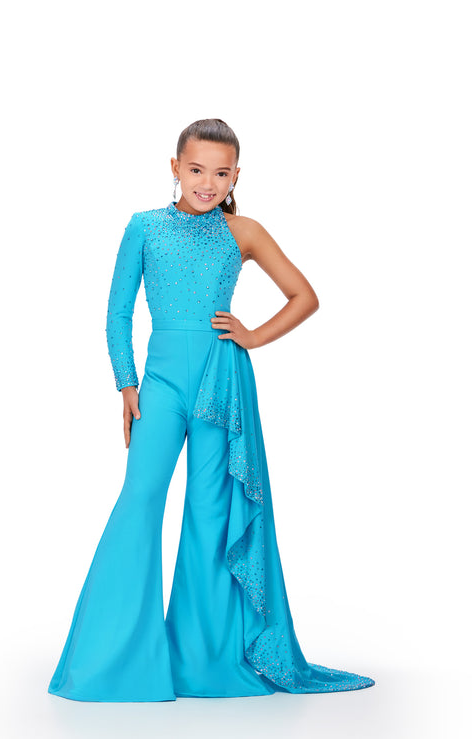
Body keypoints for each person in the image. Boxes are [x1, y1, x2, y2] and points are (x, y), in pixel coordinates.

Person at [47, 118, 376, 702]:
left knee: (210, 514)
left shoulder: (244, 231)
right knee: (140, 500)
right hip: (160, 385)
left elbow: (304, 296)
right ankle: (110, 661)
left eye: (221, 173)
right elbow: (117, 312)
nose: (207, 183)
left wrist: (252, 336)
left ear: (236, 176)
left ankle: (203, 665)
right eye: (196, 170)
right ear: (174, 168)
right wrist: (126, 385)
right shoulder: (144, 226)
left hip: (223, 385)